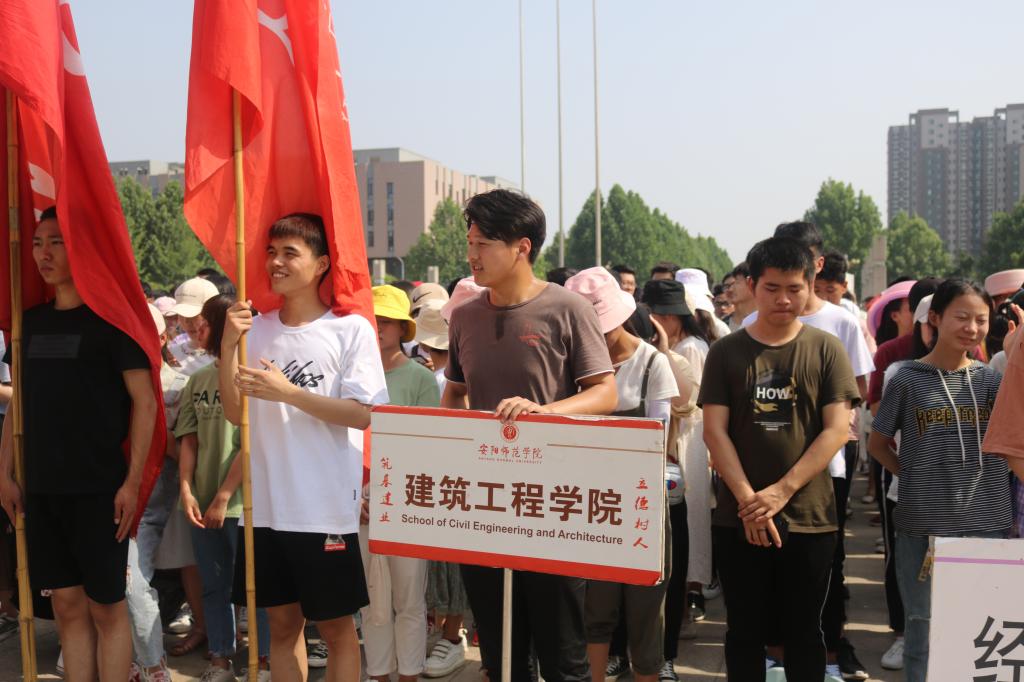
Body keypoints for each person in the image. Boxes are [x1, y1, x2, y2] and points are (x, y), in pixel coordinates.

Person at [442, 189, 617, 682]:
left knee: (564, 657)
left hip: (552, 504)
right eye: (470, 242)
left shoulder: (568, 308)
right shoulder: (465, 315)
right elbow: (454, 393)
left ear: (522, 247)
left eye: (483, 244)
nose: (472, 254)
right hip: (483, 504)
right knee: (501, 656)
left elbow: (604, 392)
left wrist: (545, 413)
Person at [220, 213, 389, 682]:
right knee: (281, 626)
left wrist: (289, 393)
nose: (275, 262)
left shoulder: (349, 330)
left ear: (321, 265)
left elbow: (364, 413)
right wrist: (228, 345)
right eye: (271, 252)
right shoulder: (255, 329)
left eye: (289, 253)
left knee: (336, 629)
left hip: (323, 510)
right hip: (265, 508)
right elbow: (235, 413)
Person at [0, 207, 159, 681]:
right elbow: (20, 404)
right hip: (41, 490)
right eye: (37, 243)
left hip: (100, 490)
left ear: (83, 250)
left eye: (56, 242)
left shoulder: (114, 322)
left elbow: (145, 403)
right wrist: (4, 472)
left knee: (107, 607)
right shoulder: (28, 324)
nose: (43, 253)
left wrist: (132, 482)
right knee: (66, 606)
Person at [699, 236, 859, 682]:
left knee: (805, 630)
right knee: (744, 631)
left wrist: (779, 493)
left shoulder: (826, 348)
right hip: (738, 516)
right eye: (772, 288)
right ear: (752, 285)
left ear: (810, 285)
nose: (784, 299)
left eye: (794, 288)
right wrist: (749, 501)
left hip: (810, 517)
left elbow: (836, 430)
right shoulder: (726, 352)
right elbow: (714, 431)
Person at [744, 222, 874, 680]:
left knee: (825, 565)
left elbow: (858, 391)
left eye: (796, 275)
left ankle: (831, 652)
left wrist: (825, 421)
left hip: (826, 466)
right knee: (768, 568)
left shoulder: (840, 324)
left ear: (815, 265)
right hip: (762, 470)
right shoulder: (747, 329)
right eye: (773, 283)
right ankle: (774, 655)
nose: (784, 295)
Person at [868, 279, 1013, 682]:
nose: (972, 328)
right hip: (923, 527)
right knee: (923, 627)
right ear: (934, 318)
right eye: (962, 317)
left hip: (986, 525)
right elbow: (878, 445)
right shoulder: (906, 379)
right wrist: (913, 475)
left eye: (981, 320)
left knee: (982, 629)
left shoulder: (991, 381)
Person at [565, 268, 680, 682]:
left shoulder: (652, 364)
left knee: (646, 616)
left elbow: (660, 437)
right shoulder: (572, 364)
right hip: (590, 505)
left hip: (641, 505)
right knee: (594, 615)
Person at [178, 294, 272, 682]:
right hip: (202, 503)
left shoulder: (255, 375)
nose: (196, 330)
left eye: (204, 322)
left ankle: (263, 661)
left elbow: (253, 442)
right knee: (214, 585)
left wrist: (223, 495)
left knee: (256, 587)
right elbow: (189, 439)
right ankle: (220, 659)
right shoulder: (198, 379)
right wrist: (187, 489)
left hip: (246, 503)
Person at [358, 285, 438, 682]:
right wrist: (353, 494)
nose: (378, 328)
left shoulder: (420, 378)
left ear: (403, 328)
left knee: (409, 599)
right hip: (361, 498)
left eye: (386, 321)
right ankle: (378, 674)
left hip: (408, 497)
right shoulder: (351, 376)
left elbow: (430, 445)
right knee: (371, 601)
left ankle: (409, 674)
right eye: (372, 320)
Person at [864, 278, 939, 672]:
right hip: (906, 488)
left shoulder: (983, 374)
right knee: (906, 565)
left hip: (960, 500)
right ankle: (902, 634)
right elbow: (879, 429)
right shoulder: (896, 364)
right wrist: (907, 474)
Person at [642, 279, 714, 631]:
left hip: (687, 440)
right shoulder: (677, 346)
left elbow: (687, 403)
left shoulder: (691, 349)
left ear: (669, 317)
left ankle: (687, 601)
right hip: (678, 439)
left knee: (689, 525)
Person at [168, 277, 220, 375]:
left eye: (194, 315)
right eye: (181, 314)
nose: (187, 321)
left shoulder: (228, 354)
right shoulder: (171, 353)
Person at [725, 263, 755, 332]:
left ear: (750, 283)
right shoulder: (723, 324)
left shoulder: (768, 323)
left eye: (737, 282)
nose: (731, 289)